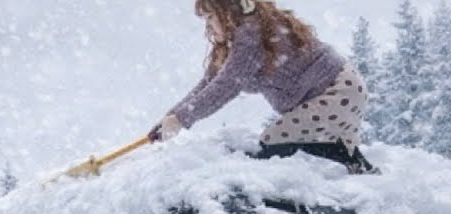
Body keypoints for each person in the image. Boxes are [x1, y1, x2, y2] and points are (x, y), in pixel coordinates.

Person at [149, 0, 378, 174]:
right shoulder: (236, 41)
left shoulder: (250, 34)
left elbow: (227, 85)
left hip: (337, 91)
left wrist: (180, 119)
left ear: (228, 12)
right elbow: (209, 82)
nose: (208, 26)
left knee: (275, 142)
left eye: (211, 17)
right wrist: (171, 117)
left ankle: (343, 166)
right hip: (337, 89)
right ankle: (354, 165)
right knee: (284, 144)